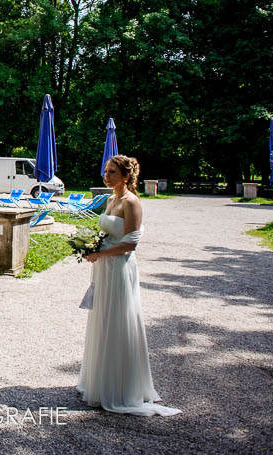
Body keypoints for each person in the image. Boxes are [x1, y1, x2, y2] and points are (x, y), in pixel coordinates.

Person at [76, 155, 181, 416]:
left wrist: (101, 253)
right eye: (106, 171)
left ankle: (121, 387)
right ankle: (99, 381)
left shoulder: (132, 202)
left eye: (112, 172)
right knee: (102, 319)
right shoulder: (111, 199)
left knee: (118, 320)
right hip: (103, 267)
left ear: (126, 176)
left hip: (120, 269)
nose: (107, 175)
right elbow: (108, 233)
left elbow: (131, 242)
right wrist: (92, 246)